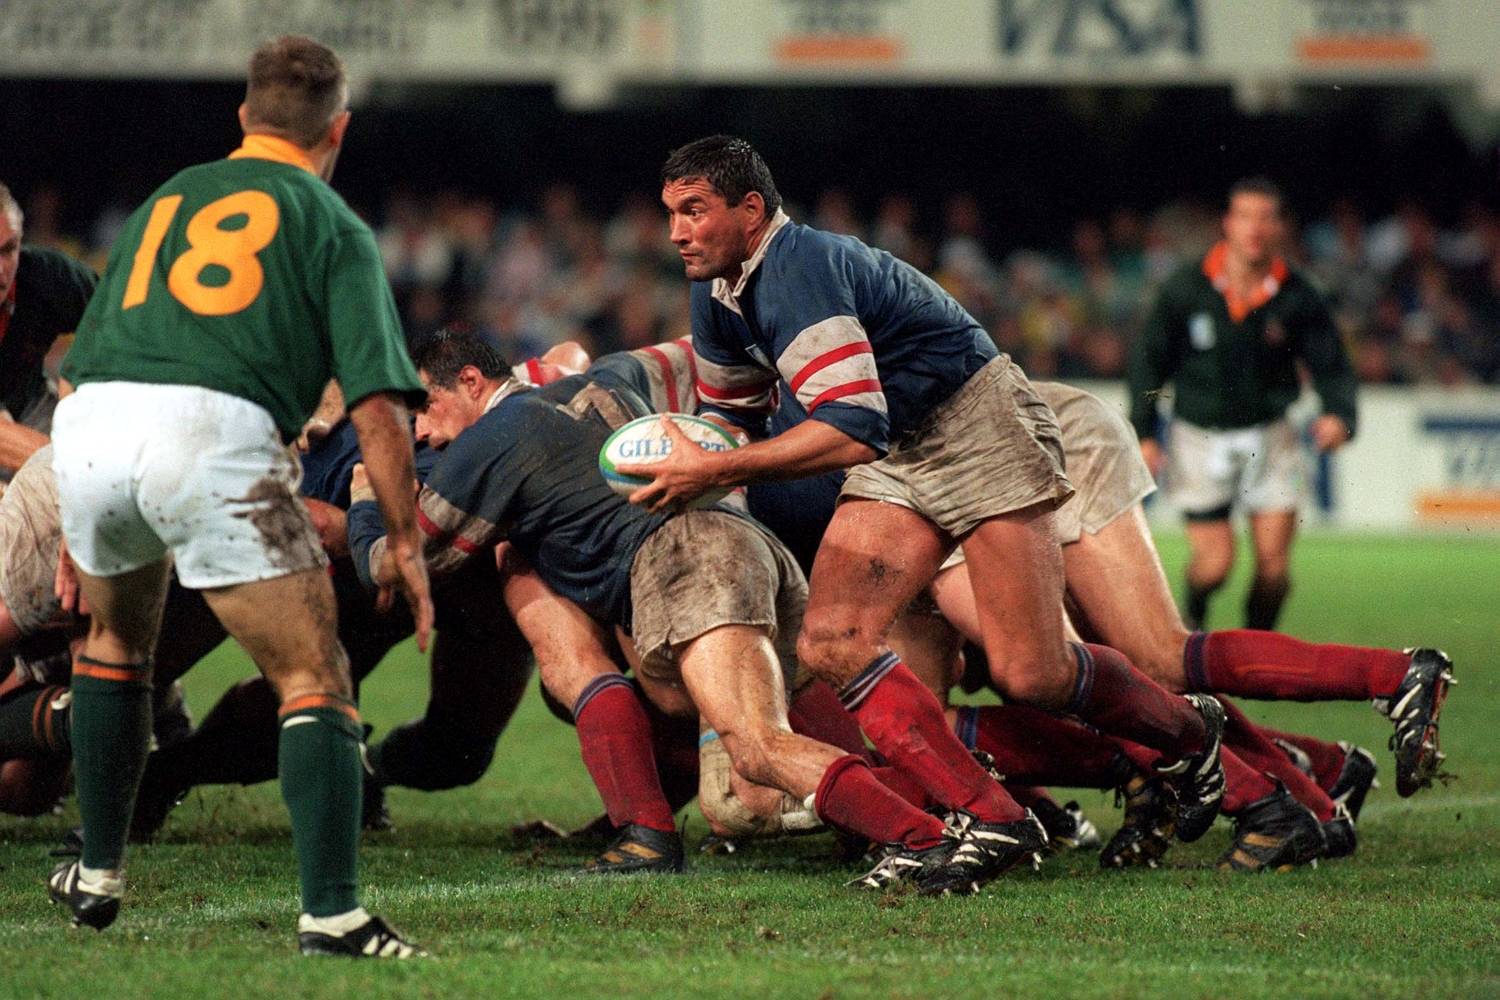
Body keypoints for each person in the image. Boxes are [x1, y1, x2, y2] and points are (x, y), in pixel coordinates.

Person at [621, 136, 1225, 894]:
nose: (675, 230)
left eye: (694, 211)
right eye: (671, 212)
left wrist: (711, 467)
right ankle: (993, 819)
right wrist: (697, 450)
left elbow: (848, 427)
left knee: (1030, 671)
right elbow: (739, 419)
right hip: (901, 451)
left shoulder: (798, 269)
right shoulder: (716, 292)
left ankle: (1191, 732)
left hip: (979, 426)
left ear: (750, 211)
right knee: (835, 641)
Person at [46, 35, 433, 959]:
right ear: (337, 129)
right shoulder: (332, 221)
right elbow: (378, 399)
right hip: (208, 432)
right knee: (314, 674)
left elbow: (91, 353)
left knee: (114, 645)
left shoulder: (167, 197)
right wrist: (408, 539)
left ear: (243, 120)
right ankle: (334, 915)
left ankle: (98, 873)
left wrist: (72, 515)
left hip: (92, 423)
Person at [357, 328, 985, 893]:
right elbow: (706, 350)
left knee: (758, 752)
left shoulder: (488, 441)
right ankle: (984, 811)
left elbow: (401, 560)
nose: (421, 432)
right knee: (761, 730)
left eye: (427, 408)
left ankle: (926, 840)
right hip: (748, 540)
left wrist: (364, 506)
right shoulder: (613, 375)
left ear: (471, 382)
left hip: (687, 564)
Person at [1127, 177, 1358, 632]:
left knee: (1274, 572)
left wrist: (1340, 414)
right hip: (1198, 437)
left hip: (1272, 437)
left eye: (1266, 217)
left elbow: (1332, 363)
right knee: (1214, 567)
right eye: (1246, 216)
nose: (1256, 227)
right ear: (1227, 224)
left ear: (1280, 227)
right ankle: (1193, 614)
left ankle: (1255, 654)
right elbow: (1148, 366)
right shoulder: (1185, 288)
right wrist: (1145, 432)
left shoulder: (1298, 294)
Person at [0, 183, 98, 480]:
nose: (0, 270)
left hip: (32, 408)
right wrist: (88, 470)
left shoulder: (48, 277)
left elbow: (123, 326)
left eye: (8, 250)